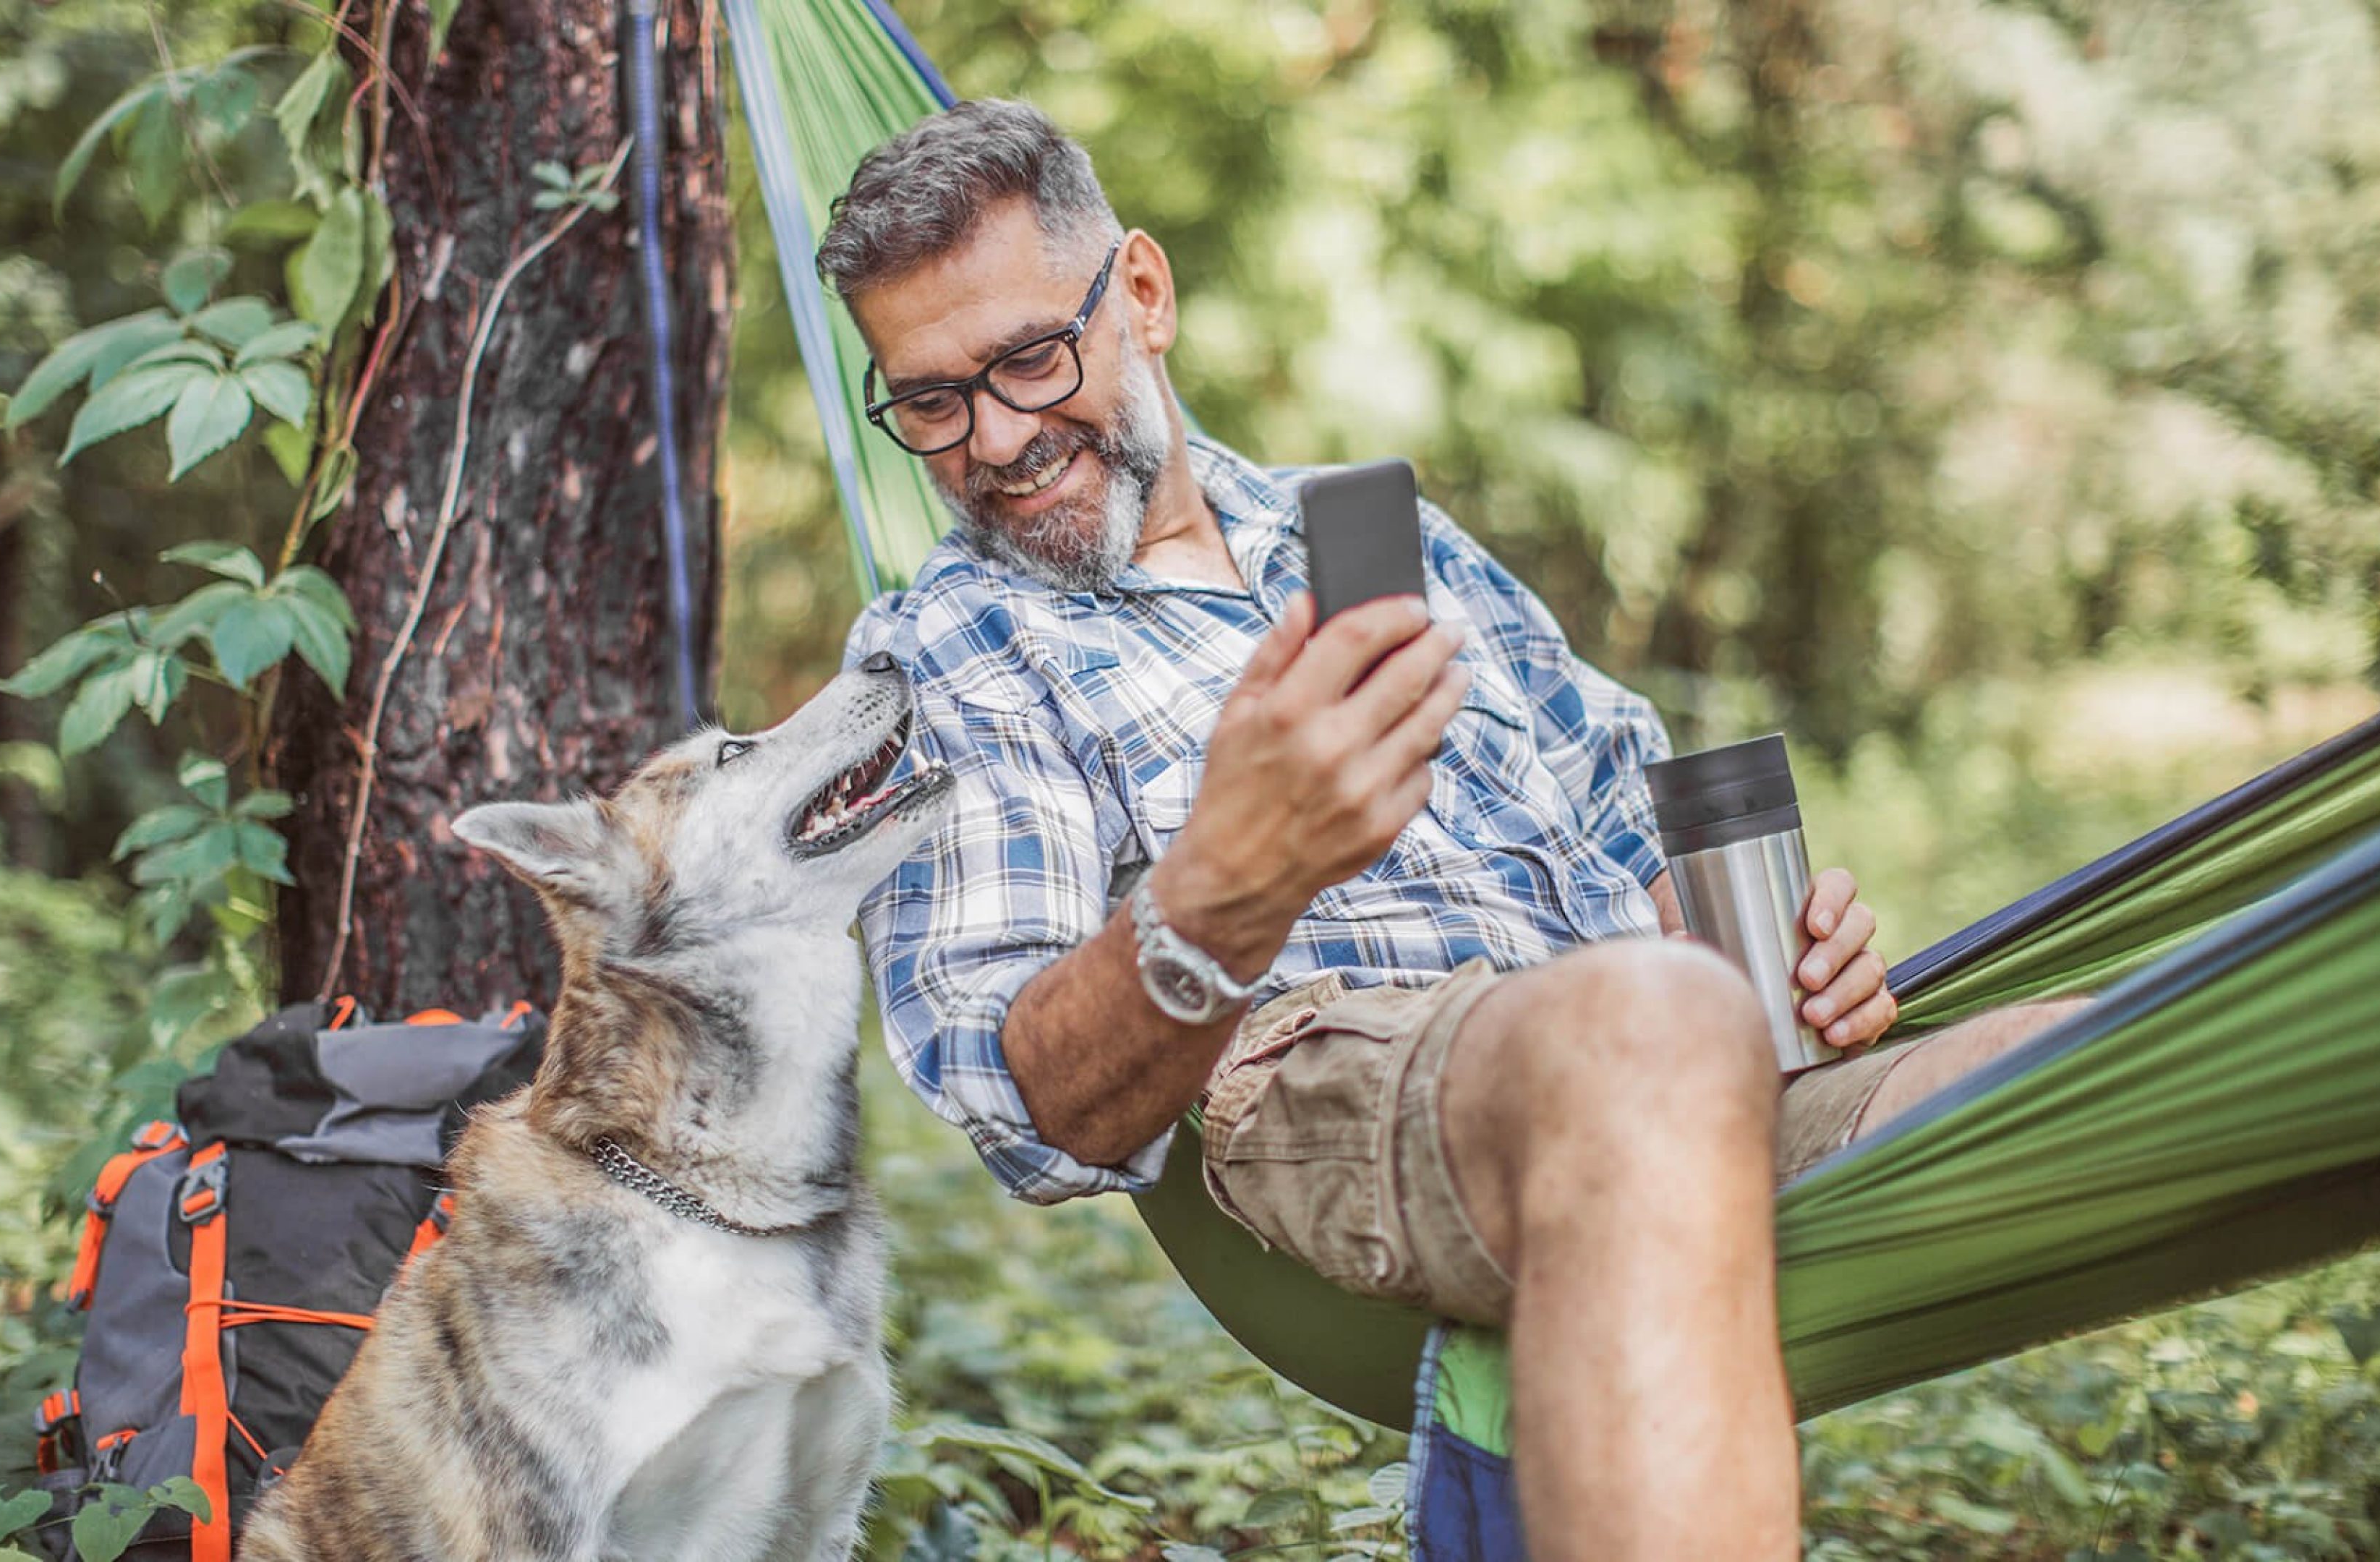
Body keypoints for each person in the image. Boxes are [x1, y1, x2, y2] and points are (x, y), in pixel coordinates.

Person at [827, 98, 2079, 1561]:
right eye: (930, 402)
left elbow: (1633, 827)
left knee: (2095, 1051)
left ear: (1144, 297)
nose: (997, 440)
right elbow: (1025, 1107)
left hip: (1664, 1054)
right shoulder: (949, 655)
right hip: (1332, 1074)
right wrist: (1229, 883)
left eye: (1031, 361)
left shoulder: (1380, 541)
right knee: (1645, 1027)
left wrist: (1789, 957)